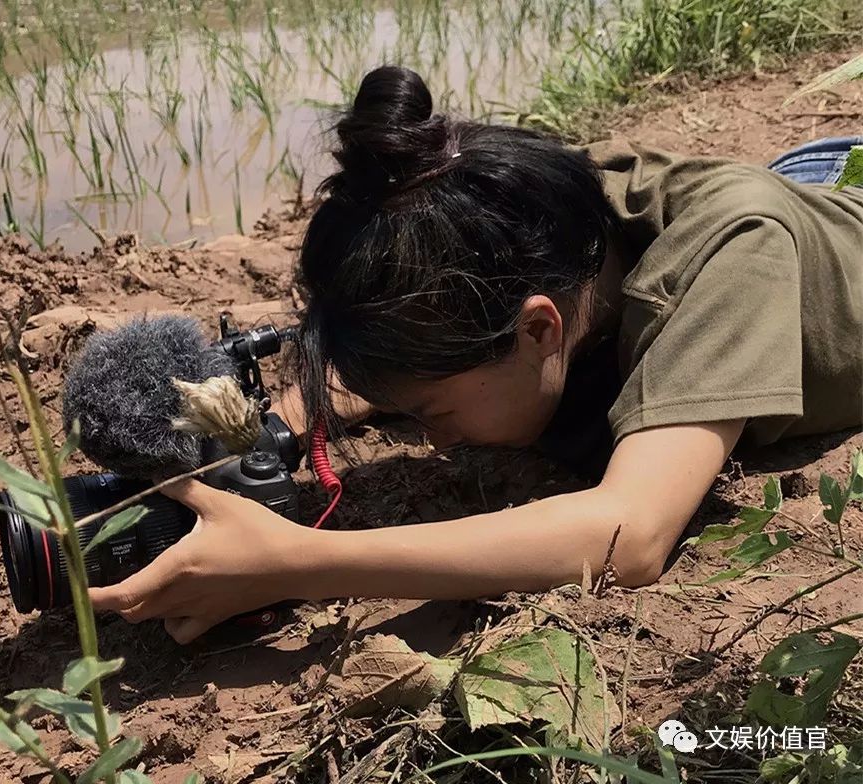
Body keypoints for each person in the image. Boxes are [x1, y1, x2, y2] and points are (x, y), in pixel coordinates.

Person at [90, 66, 863, 644]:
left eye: (436, 413)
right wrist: (271, 438)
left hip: (814, 215)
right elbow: (408, 344)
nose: (433, 442)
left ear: (538, 332)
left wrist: (295, 561)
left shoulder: (733, 260)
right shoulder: (511, 214)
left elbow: (629, 535)